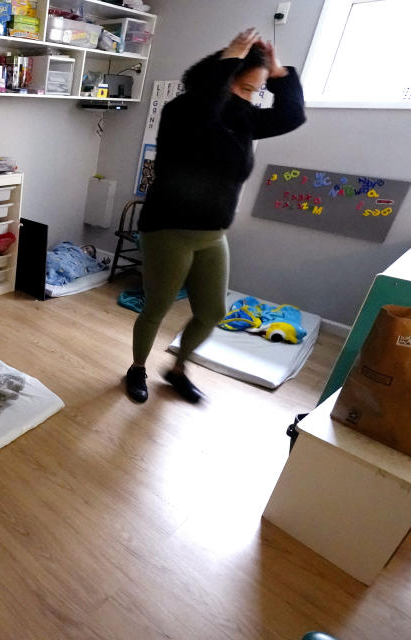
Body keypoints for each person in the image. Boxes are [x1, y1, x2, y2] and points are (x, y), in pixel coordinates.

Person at [126, 28, 306, 404]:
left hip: (212, 233)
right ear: (223, 80)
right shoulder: (182, 113)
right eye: (244, 89)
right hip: (168, 230)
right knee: (156, 307)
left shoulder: (242, 120)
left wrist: (279, 75)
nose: (251, 100)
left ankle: (177, 370)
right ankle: (137, 369)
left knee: (211, 312)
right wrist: (227, 59)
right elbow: (202, 104)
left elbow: (291, 117)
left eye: (256, 92)